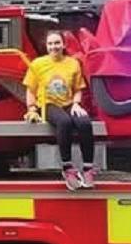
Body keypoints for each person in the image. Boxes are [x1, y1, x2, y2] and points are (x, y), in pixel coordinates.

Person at [24, 30, 96, 190]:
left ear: (63, 45)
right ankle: (67, 168)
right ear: (46, 46)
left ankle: (88, 168)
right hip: (47, 104)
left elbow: (78, 89)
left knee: (84, 123)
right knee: (64, 122)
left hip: (69, 103)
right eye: (50, 44)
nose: (54, 47)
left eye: (57, 43)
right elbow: (30, 90)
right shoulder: (37, 64)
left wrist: (76, 104)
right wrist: (31, 109)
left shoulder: (73, 63)